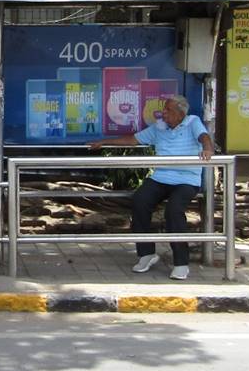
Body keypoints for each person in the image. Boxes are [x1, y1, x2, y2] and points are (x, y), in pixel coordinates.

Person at [88, 93, 214, 281]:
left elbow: (204, 136)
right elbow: (133, 140)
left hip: (186, 179)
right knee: (140, 200)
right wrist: (104, 142)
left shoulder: (192, 121)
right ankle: (146, 254)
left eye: (168, 110)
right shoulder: (159, 127)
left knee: (173, 211)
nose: (163, 113)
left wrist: (208, 148)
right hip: (161, 177)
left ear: (180, 113)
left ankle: (181, 263)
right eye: (164, 109)